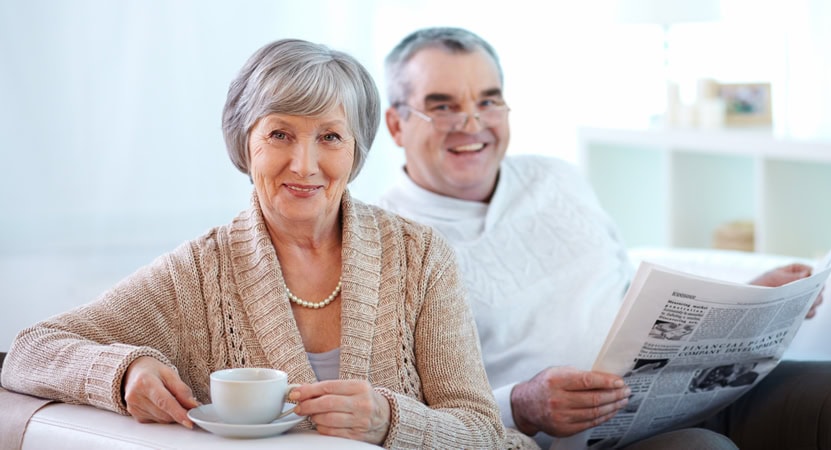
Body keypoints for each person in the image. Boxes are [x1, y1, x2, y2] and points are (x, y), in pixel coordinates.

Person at [0, 38, 523, 449]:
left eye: (330, 136)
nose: (304, 164)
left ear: (356, 148)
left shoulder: (419, 255)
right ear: (244, 142)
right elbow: (29, 351)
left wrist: (390, 420)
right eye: (279, 134)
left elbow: (480, 430)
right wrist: (122, 373)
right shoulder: (196, 273)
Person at [379, 26, 831, 450]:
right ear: (397, 124)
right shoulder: (387, 244)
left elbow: (630, 296)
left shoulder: (555, 177)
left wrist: (747, 301)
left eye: (488, 101)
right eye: (442, 106)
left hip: (689, 394)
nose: (471, 123)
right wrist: (521, 405)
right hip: (576, 440)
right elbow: (402, 412)